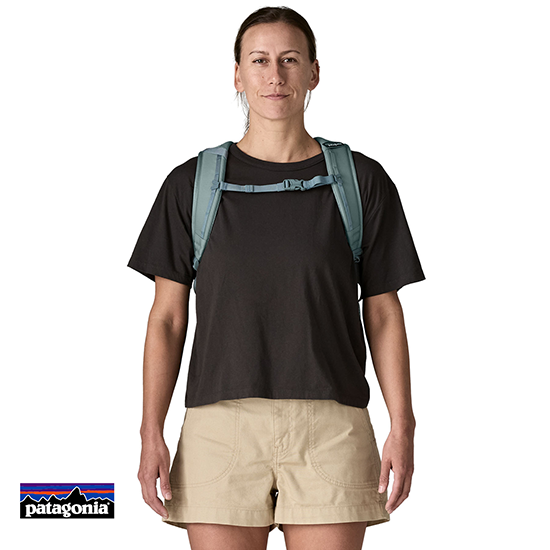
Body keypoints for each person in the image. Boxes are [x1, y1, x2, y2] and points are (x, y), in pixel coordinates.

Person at [127, 6, 426, 550]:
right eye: (259, 60)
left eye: (290, 60)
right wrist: (151, 432)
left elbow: (383, 312)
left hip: (332, 426)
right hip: (219, 426)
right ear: (237, 74)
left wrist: (402, 425)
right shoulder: (191, 185)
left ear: (314, 72)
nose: (275, 75)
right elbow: (167, 319)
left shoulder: (361, 181)